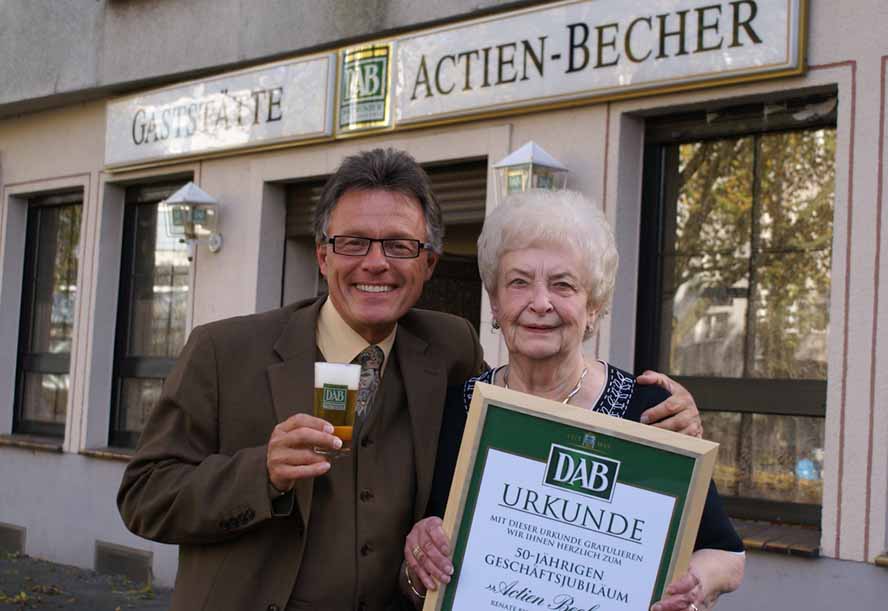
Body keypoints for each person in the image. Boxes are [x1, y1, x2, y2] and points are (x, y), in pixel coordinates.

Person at [117, 149, 704, 611]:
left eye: (399, 245)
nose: (376, 262)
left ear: (427, 263)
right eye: (354, 243)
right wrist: (259, 472)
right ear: (323, 255)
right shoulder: (224, 351)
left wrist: (668, 426)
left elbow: (524, 424)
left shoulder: (448, 349)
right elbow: (145, 497)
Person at [399, 190, 744, 611]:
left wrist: (690, 587)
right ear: (494, 300)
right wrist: (418, 561)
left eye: (563, 285)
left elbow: (727, 556)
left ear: (593, 306)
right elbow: (419, 575)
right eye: (519, 282)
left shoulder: (650, 410)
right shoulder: (456, 413)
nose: (540, 303)